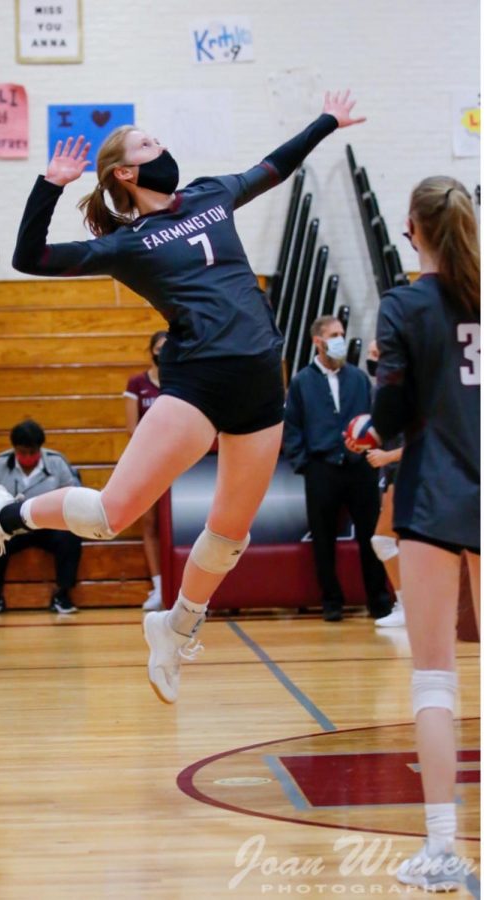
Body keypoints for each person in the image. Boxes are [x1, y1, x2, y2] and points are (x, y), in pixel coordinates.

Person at [0, 90, 366, 702]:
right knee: (107, 516)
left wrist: (327, 122)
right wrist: (50, 185)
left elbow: (273, 166)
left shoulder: (209, 193)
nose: (162, 148)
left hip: (261, 381)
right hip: (200, 382)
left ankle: (175, 628)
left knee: (230, 536)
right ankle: (3, 515)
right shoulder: (126, 243)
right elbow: (30, 257)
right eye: (148, 144)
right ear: (125, 171)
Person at [366, 176, 479, 891]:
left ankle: (443, 852)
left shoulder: (404, 304)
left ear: (411, 227)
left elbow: (387, 416)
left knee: (434, 682)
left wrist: (380, 423)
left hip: (435, 495)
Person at [283, 315, 392, 621]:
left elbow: (375, 418)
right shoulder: (301, 381)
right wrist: (304, 463)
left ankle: (379, 601)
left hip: (360, 470)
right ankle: (331, 601)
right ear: (318, 341)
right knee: (323, 539)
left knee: (371, 537)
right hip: (322, 469)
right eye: (333, 334)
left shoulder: (358, 378)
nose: (339, 339)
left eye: (342, 333)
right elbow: (292, 427)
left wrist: (372, 453)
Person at [0, 419, 83, 616]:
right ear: (15, 449)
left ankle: (63, 595)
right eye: (23, 452)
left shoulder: (57, 462)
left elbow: (73, 496)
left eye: (32, 452)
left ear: (39, 448)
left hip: (48, 526)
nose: (28, 457)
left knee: (70, 536)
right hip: (12, 528)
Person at [123, 330, 168, 611]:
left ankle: (184, 588)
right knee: (150, 523)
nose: (164, 352)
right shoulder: (137, 383)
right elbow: (132, 429)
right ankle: (160, 586)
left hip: (179, 462)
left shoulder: (182, 381)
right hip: (147, 463)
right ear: (151, 350)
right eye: (160, 347)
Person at [364, 340, 405, 628]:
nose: (372, 359)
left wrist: (387, 455)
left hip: (410, 471)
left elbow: (425, 440)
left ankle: (410, 606)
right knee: (390, 541)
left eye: (376, 354)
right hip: (394, 472)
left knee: (383, 539)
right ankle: (408, 605)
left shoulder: (408, 388)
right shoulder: (384, 390)